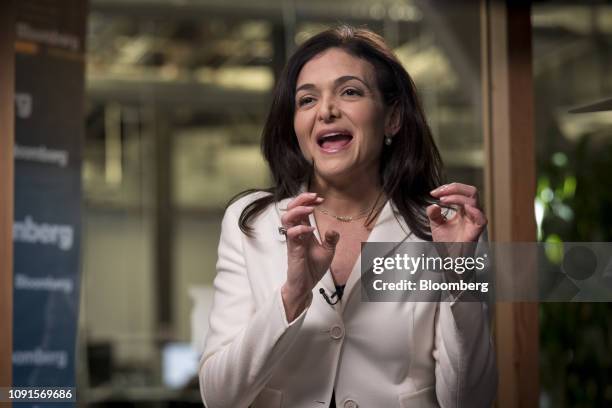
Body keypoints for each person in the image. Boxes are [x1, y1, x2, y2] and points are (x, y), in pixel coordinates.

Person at [198, 25, 496, 408]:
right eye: (306, 100)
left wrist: (460, 279)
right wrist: (292, 296)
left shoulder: (443, 229)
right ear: (296, 126)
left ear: (392, 119)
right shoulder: (250, 224)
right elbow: (219, 397)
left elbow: (470, 400)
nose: (326, 111)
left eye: (350, 92)